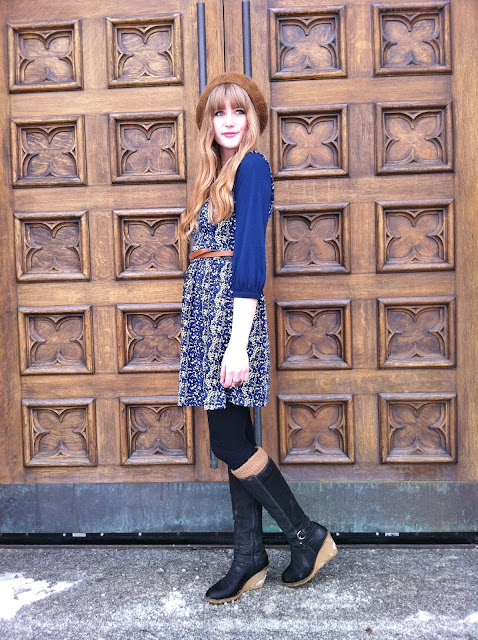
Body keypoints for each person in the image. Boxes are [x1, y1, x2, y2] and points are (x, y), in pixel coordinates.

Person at [178, 73, 337, 605]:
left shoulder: (251, 167)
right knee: (236, 438)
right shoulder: (215, 175)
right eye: (219, 112)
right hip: (208, 316)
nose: (229, 121)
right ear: (208, 122)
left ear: (253, 120)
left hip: (230, 318)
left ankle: (306, 535)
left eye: (239, 111)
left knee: (228, 442)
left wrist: (236, 343)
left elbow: (248, 259)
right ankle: (248, 556)